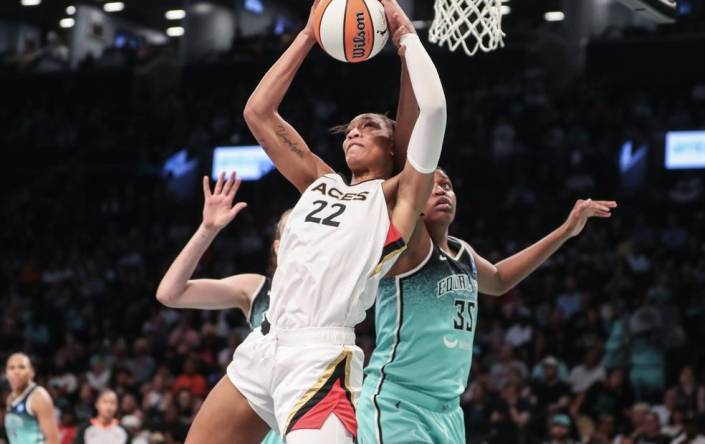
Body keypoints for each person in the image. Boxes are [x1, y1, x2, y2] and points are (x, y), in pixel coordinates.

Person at [184, 0, 447, 441]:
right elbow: (258, 113)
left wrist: (406, 36)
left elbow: (433, 111)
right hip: (264, 346)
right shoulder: (321, 181)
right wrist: (309, 34)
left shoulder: (399, 203)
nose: (354, 132)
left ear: (394, 149)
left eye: (369, 127)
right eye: (351, 129)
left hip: (320, 360)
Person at [358, 167, 616, 443]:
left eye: (446, 185)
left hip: (448, 411)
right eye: (429, 185)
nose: (441, 190)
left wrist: (566, 231)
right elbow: (411, 171)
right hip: (399, 405)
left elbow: (500, 279)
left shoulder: (463, 253)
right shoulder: (410, 246)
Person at [156, 173, 288, 444]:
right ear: (277, 247)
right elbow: (170, 293)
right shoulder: (257, 288)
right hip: (260, 420)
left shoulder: (333, 288)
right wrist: (208, 229)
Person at [4, 353, 59, 444]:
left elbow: (54, 440)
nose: (16, 372)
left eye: (21, 367)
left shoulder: (39, 397)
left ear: (32, 372)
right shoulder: (10, 398)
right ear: (6, 373)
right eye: (11, 368)